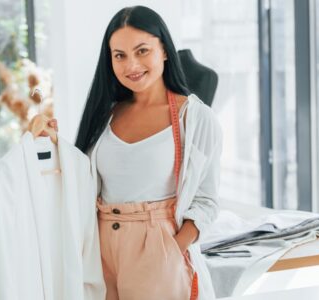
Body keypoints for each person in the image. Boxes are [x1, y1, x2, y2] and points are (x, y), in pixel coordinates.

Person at [72, 6, 223, 300]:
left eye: (142, 51)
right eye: (120, 55)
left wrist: (172, 249)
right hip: (101, 251)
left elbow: (206, 200)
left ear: (164, 50)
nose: (131, 65)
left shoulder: (194, 118)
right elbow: (79, 179)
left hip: (159, 249)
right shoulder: (104, 115)